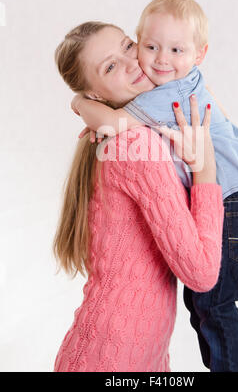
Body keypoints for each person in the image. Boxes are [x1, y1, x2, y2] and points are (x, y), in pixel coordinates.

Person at [72, 0, 238, 372]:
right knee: (206, 305)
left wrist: (82, 104)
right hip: (236, 196)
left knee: (214, 304)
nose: (159, 60)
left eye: (176, 49)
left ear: (199, 54)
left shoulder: (165, 96)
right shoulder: (182, 82)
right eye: (149, 46)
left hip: (231, 200)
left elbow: (115, 124)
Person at [52, 20, 224, 372]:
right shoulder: (137, 144)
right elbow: (202, 272)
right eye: (110, 66)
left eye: (128, 47)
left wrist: (84, 104)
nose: (132, 63)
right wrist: (205, 168)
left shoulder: (135, 133)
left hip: (128, 355)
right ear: (96, 95)